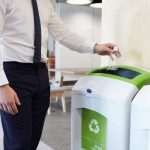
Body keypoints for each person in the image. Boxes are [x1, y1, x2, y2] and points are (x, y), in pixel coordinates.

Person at [0, 0, 121, 150]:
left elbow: (63, 34)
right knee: (18, 143)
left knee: (32, 140)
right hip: (14, 75)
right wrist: (2, 86)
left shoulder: (45, 3)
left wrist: (95, 47)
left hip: (41, 74)